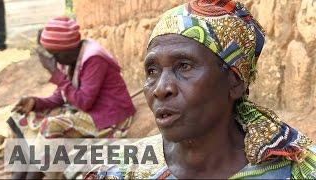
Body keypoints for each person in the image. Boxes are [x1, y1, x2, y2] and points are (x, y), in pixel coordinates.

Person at [85, 0, 316, 179]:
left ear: (234, 82)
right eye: (152, 71)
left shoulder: (296, 169)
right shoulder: (124, 170)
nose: (161, 89)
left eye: (184, 66)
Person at [10, 16, 136, 179]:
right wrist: (35, 102)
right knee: (25, 117)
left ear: (68, 49)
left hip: (108, 117)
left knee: (50, 124)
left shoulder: (94, 58)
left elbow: (83, 102)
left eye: (55, 55)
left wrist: (54, 73)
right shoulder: (69, 59)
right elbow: (61, 96)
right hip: (86, 111)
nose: (54, 60)